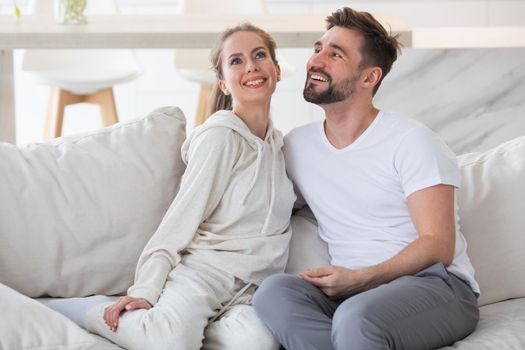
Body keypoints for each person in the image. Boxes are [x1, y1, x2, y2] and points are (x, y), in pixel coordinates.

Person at [48, 23, 294, 350]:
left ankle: (186, 324)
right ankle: (78, 310)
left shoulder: (280, 147)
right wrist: (144, 290)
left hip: (250, 289)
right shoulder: (221, 138)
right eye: (236, 61)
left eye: (259, 55)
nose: (250, 66)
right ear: (223, 83)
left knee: (257, 344)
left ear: (276, 70)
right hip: (204, 274)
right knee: (172, 343)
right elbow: (179, 221)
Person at [252, 7, 480, 350]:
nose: (316, 60)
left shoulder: (412, 141)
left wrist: (361, 278)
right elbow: (260, 202)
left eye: (335, 54)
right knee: (274, 293)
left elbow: (439, 245)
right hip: (354, 294)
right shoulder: (298, 146)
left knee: (356, 318)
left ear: (369, 78)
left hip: (437, 286)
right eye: (318, 49)